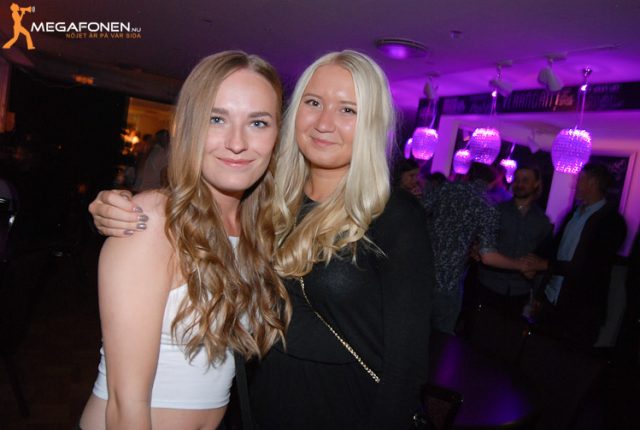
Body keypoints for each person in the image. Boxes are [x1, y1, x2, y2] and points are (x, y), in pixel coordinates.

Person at [88, 50, 434, 430]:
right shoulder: (266, 209)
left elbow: (407, 366)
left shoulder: (390, 216)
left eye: (348, 110)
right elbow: (126, 399)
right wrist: (118, 209)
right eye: (313, 103)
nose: (324, 122)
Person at [79, 51, 290, 430]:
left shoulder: (257, 227)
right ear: (189, 125)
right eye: (216, 119)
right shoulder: (153, 222)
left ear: (277, 135)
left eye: (258, 122)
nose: (237, 142)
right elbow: (126, 406)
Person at [527, 163, 627, 349]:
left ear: (593, 183)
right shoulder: (574, 213)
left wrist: (545, 265)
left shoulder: (613, 222)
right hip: (552, 299)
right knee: (538, 352)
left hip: (580, 310)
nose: (575, 184)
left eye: (580, 179)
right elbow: (555, 247)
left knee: (566, 360)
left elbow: (591, 267)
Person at [423, 162, 528, 334]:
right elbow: (488, 256)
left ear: (467, 175)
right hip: (447, 285)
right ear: (492, 183)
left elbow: (417, 213)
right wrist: (520, 265)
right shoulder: (487, 206)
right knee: (439, 338)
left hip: (420, 275)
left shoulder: (444, 188)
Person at [476, 166, 553, 319]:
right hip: (490, 285)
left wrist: (536, 293)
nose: (519, 184)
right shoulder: (497, 211)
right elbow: (480, 245)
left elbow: (543, 257)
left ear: (536, 184)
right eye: (517, 179)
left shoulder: (542, 221)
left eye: (525, 180)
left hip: (520, 291)